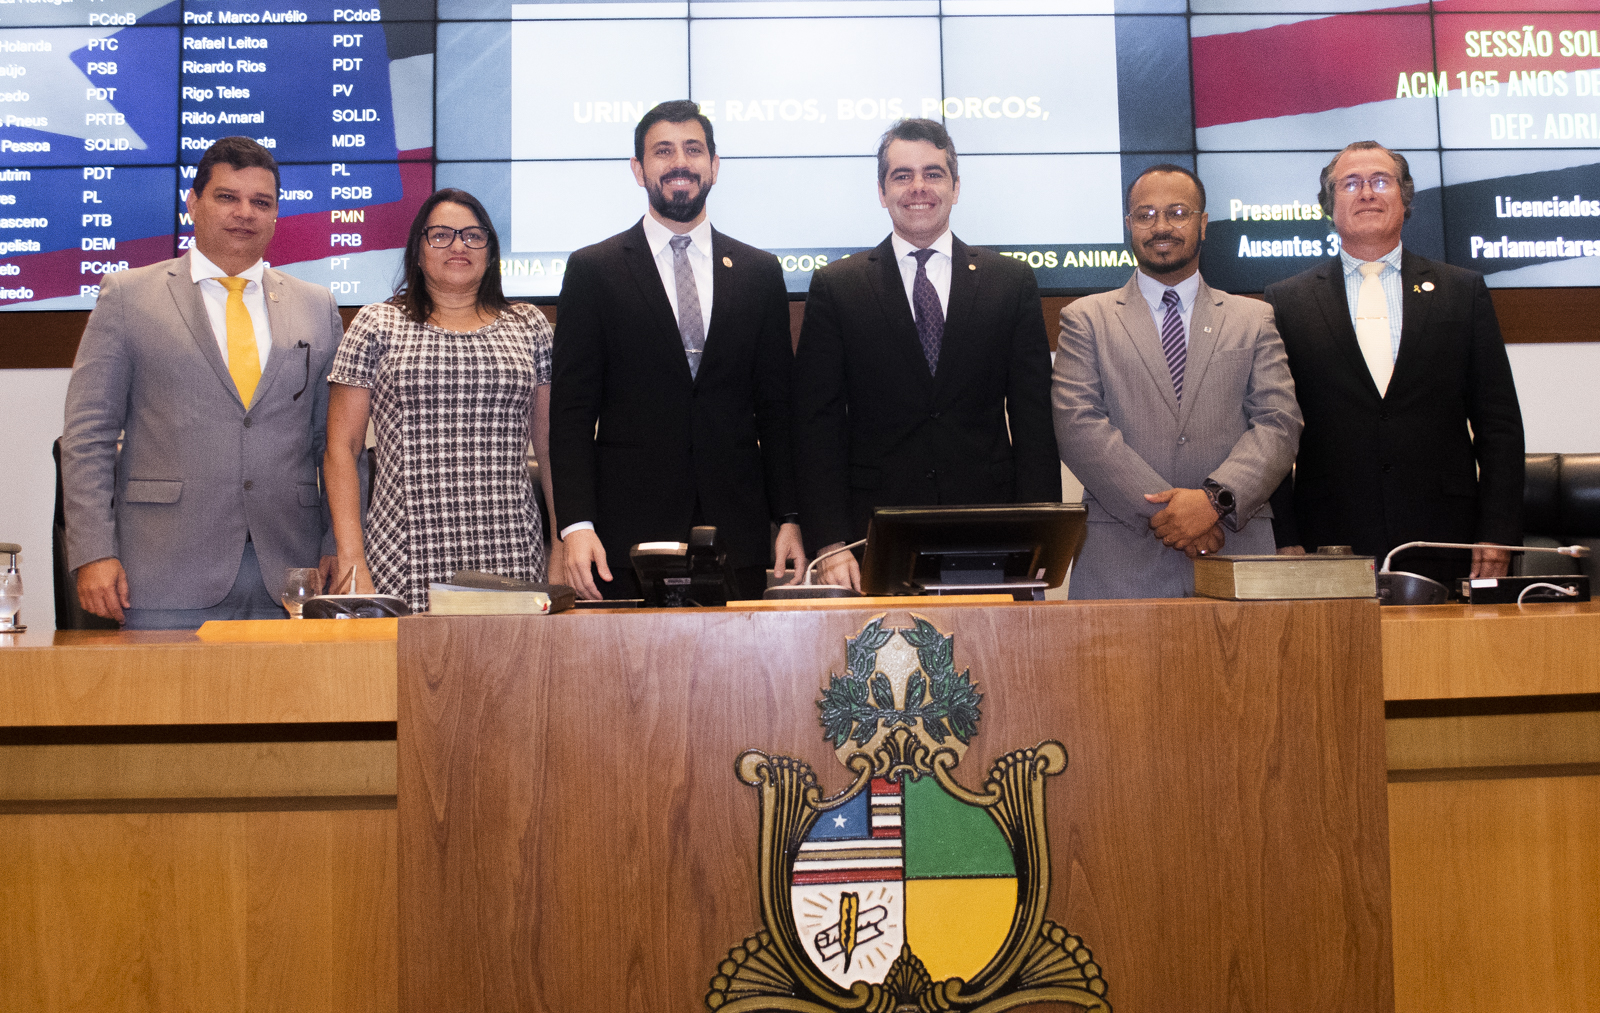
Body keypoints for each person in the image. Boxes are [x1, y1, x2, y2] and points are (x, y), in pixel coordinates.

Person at [61, 136, 343, 629]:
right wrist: (92, 552)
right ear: (193, 203)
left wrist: (336, 543)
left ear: (277, 214)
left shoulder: (316, 305)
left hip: (291, 575)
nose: (244, 214)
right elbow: (89, 436)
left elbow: (337, 444)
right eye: (226, 197)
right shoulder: (129, 296)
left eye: (261, 202)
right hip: (162, 571)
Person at [550, 99, 803, 601]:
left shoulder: (759, 272)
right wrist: (576, 525)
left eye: (693, 149)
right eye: (663, 151)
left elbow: (777, 411)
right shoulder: (593, 271)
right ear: (638, 169)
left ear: (714, 166)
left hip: (738, 532)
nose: (679, 162)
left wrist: (790, 517)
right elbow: (572, 412)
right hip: (625, 535)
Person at [793, 118, 1060, 590]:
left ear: (956, 188)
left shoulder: (1010, 283)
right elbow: (818, 427)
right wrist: (831, 544)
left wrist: (1038, 535)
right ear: (881, 190)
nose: (919, 188)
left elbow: (1034, 421)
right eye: (902, 175)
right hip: (870, 539)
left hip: (990, 532)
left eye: (933, 174)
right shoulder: (838, 287)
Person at [1264, 141, 1524, 582]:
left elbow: (1498, 425)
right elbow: (1270, 429)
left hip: (1446, 537)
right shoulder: (1285, 302)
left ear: (1404, 198)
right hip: (1327, 538)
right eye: (1351, 183)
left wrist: (1497, 532)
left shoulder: (1463, 291)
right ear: (1329, 205)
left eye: (1380, 181)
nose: (1366, 193)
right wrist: (1284, 535)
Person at [1053, 164, 1302, 599]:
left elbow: (1278, 424)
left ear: (1203, 224)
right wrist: (1174, 517)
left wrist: (1213, 503)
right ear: (1129, 226)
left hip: (1235, 556)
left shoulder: (1254, 318)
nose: (1161, 226)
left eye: (1178, 212)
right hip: (1121, 564)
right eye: (1145, 215)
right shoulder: (1085, 319)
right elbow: (1078, 427)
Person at [324, 188, 557, 613]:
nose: (458, 246)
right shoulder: (377, 323)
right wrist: (351, 558)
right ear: (417, 249)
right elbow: (342, 449)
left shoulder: (530, 326)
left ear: (490, 250)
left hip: (511, 552)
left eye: (473, 235)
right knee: (408, 679)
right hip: (403, 555)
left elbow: (551, 447)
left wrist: (559, 544)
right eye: (442, 235)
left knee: (513, 678)